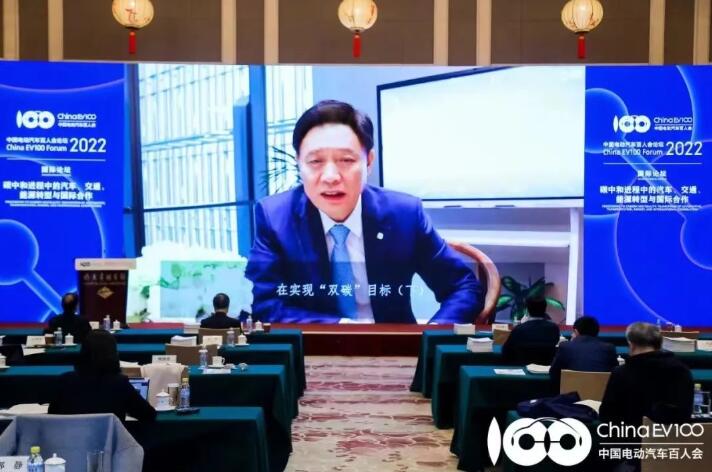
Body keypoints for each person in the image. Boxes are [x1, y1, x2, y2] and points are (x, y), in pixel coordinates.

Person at [245, 100, 482, 323]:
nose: (330, 177)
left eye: (346, 160)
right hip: (312, 346)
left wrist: (431, 337)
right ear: (299, 163)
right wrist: (343, 329)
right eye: (315, 162)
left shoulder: (404, 214)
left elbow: (463, 287)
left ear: (368, 161)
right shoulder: (274, 217)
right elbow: (266, 306)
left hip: (394, 347)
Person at [49, 330, 156, 422]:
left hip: (69, 439)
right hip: (109, 440)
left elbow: (52, 415)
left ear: (83, 352)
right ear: (113, 354)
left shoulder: (65, 380)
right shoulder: (119, 383)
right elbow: (148, 415)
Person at [599, 322, 693, 426]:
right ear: (659, 344)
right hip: (674, 435)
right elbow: (685, 414)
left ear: (631, 345)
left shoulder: (621, 373)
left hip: (630, 434)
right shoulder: (681, 370)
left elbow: (606, 415)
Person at [549, 315, 617, 387]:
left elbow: (554, 373)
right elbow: (615, 374)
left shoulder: (565, 346)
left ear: (576, 331)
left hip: (570, 392)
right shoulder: (609, 348)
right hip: (600, 393)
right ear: (597, 332)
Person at [501, 297, 560, 364]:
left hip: (522, 364)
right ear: (545, 309)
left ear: (528, 309)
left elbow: (506, 351)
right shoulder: (553, 328)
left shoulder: (519, 329)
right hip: (547, 365)